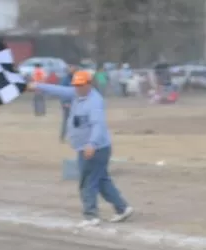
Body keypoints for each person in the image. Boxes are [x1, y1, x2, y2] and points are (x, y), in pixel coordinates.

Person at [30, 70, 135, 227]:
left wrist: (91, 144)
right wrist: (37, 86)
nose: (77, 88)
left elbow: (98, 125)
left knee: (87, 182)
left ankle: (90, 215)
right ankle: (122, 208)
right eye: (76, 85)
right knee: (101, 180)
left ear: (89, 84)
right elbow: (60, 90)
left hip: (94, 149)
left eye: (80, 85)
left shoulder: (94, 102)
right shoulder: (77, 94)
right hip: (86, 147)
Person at [59, 64, 79, 142]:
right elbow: (61, 91)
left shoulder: (78, 79)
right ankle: (62, 137)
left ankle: (75, 136)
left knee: (77, 120)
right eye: (72, 69)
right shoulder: (65, 79)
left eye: (75, 69)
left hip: (76, 103)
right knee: (66, 120)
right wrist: (65, 102)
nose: (74, 71)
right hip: (67, 103)